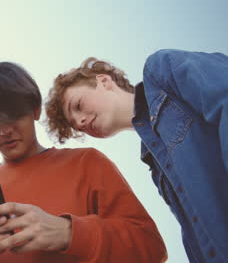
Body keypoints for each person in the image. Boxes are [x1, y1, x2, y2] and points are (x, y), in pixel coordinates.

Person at [0, 62, 167, 263]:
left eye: (13, 115)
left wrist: (69, 233)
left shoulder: (87, 164)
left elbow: (150, 247)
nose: (5, 131)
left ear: (35, 110)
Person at [44, 49, 228, 263]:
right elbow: (197, 232)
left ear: (103, 81)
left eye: (78, 106)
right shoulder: (155, 164)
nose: (81, 122)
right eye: (76, 125)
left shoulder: (161, 69)